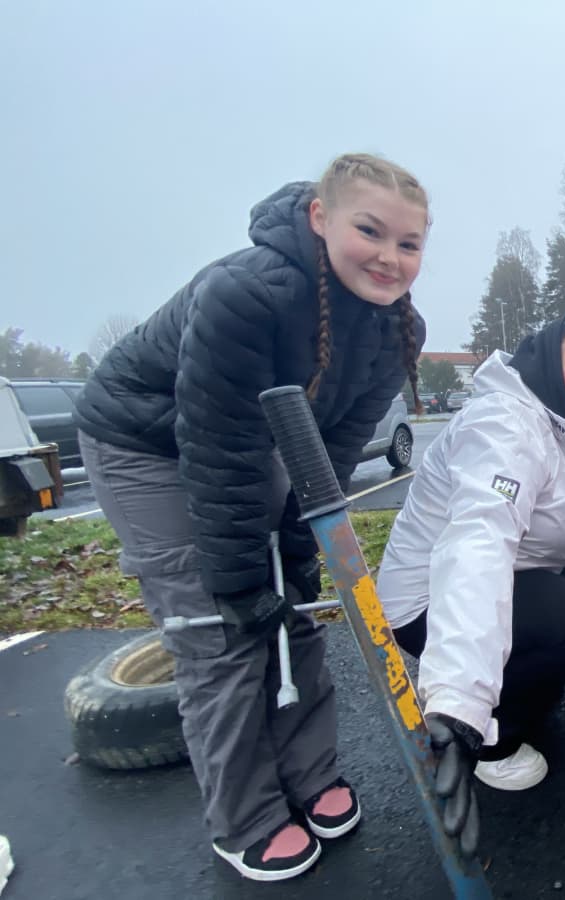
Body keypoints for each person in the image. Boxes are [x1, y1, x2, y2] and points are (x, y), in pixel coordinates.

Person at [72, 153, 429, 882]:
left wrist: (298, 549)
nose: (389, 258)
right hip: (147, 442)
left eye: (409, 244)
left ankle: (308, 775)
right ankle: (247, 816)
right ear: (320, 218)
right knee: (220, 625)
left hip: (250, 443)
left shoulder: (398, 332)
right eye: (370, 230)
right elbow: (218, 444)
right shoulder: (248, 292)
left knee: (294, 608)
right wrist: (239, 578)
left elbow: (327, 449)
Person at [375, 275, 565, 842]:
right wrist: (460, 699)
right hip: (429, 601)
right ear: (548, 364)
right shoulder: (506, 427)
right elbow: (477, 547)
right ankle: (494, 736)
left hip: (516, 572)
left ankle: (516, 677)